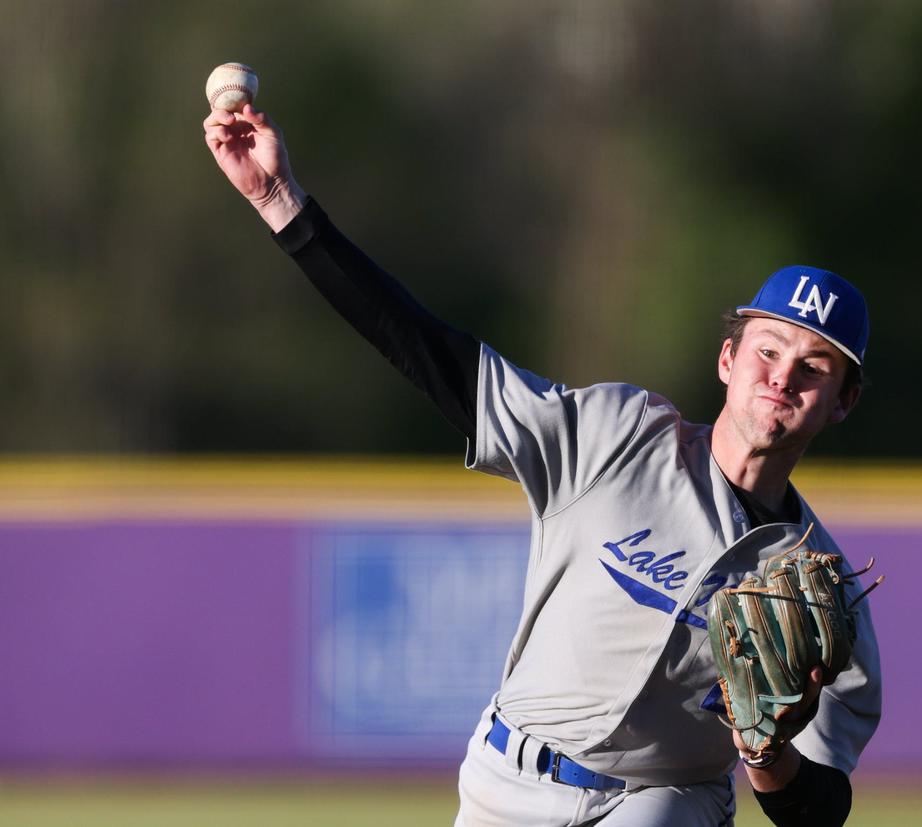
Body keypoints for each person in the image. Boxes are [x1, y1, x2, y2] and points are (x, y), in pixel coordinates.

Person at [204, 103, 881, 827]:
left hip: (659, 800)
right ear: (728, 360)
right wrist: (281, 204)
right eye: (768, 350)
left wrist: (767, 755)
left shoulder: (821, 590)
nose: (782, 375)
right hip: (507, 779)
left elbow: (818, 811)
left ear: (842, 401)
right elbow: (434, 354)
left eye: (814, 366)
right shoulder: (615, 436)